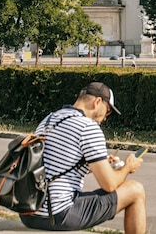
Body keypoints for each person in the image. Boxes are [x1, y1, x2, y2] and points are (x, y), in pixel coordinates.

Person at [20, 82, 147, 233]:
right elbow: (110, 185)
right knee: (136, 190)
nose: (105, 118)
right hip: (59, 215)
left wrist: (102, 165)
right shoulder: (88, 127)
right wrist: (128, 167)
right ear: (97, 102)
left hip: (29, 213)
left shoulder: (49, 119)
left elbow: (57, 166)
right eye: (107, 111)